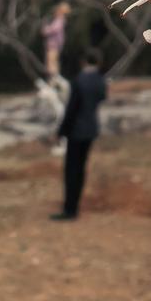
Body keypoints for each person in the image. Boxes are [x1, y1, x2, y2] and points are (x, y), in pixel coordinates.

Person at [53, 50, 106, 221]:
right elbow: (102, 98)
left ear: (83, 61)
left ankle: (70, 209)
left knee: (71, 170)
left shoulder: (79, 80)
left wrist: (61, 131)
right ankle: (75, 204)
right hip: (91, 129)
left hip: (76, 130)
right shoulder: (100, 80)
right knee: (81, 168)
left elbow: (71, 109)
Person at [41, 1, 70, 80]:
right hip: (55, 44)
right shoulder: (60, 20)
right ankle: (54, 78)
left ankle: (53, 78)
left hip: (54, 44)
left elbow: (54, 29)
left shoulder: (59, 20)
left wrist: (45, 30)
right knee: (53, 62)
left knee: (51, 62)